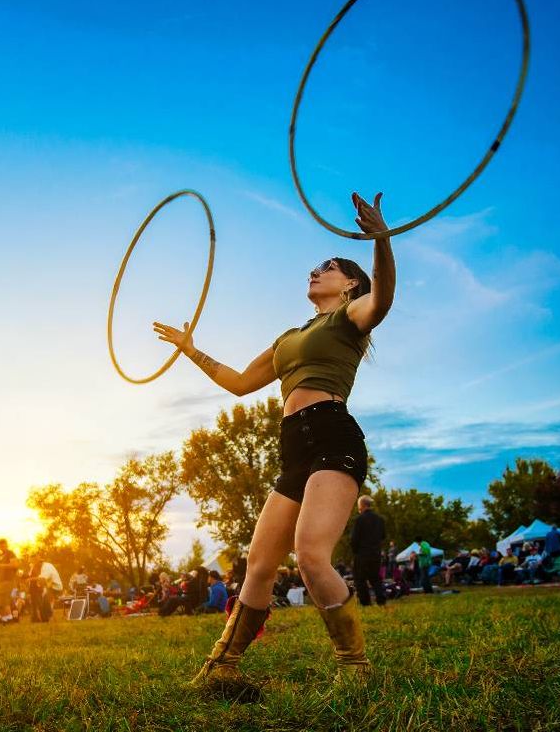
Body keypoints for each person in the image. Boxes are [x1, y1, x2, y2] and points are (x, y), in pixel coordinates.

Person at [156, 191, 395, 699]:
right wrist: (190, 350)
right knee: (259, 563)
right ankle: (223, 665)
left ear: (349, 282)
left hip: (333, 437)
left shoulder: (350, 319)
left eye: (328, 267)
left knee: (311, 556)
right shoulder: (290, 336)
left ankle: (356, 671)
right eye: (315, 266)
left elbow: (385, 297)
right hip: (294, 447)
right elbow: (241, 382)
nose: (316, 271)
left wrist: (381, 240)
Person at [349, 495, 386, 606]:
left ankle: (365, 602)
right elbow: (383, 536)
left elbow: (354, 539)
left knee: (360, 578)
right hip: (376, 553)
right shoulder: (380, 519)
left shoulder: (359, 519)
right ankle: (381, 599)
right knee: (375, 577)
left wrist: (355, 551)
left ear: (362, 505)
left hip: (362, 554)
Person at [0, 539, 17, 624]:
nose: (1, 547)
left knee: (5, 600)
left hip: (8, 580)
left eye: (3, 545)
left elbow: (14, 565)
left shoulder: (10, 553)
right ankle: (5, 618)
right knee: (0, 601)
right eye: (0, 546)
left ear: (6, 545)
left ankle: (10, 618)